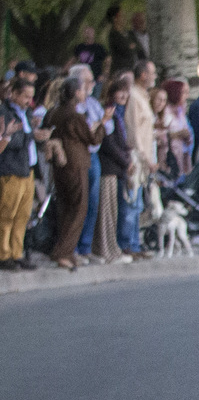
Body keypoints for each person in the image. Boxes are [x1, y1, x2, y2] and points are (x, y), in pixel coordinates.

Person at [46, 77, 109, 271]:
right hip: (76, 164)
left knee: (65, 206)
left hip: (60, 165)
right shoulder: (75, 116)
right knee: (79, 207)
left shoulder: (54, 113)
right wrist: (103, 122)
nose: (85, 94)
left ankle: (67, 250)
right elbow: (91, 139)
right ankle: (63, 252)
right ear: (75, 93)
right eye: (82, 90)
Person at [0, 80, 39, 270]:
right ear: (14, 94)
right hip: (11, 170)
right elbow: (10, 141)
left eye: (31, 97)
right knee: (7, 213)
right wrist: (30, 134)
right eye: (25, 96)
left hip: (27, 169)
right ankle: (3, 253)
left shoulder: (27, 113)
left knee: (23, 215)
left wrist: (34, 132)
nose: (28, 101)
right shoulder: (5, 112)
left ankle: (17, 252)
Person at [67, 64, 104, 262]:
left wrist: (98, 125)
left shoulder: (93, 103)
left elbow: (108, 124)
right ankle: (70, 248)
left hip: (94, 156)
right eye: (87, 81)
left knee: (92, 203)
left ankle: (85, 247)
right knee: (76, 203)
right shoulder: (69, 106)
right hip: (77, 157)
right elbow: (87, 130)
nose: (92, 84)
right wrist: (96, 126)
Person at [121, 59, 156, 259]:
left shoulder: (143, 96)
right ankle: (127, 243)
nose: (154, 77)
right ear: (143, 75)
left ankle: (135, 242)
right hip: (136, 155)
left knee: (138, 203)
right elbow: (133, 129)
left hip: (145, 157)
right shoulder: (134, 96)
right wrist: (143, 157)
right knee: (132, 201)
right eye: (152, 73)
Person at [96, 78, 133, 265]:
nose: (124, 95)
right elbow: (108, 142)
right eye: (120, 91)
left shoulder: (121, 114)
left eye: (126, 92)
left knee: (114, 210)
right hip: (108, 167)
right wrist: (126, 160)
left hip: (117, 167)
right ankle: (105, 249)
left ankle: (113, 247)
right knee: (106, 211)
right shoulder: (109, 112)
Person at [162, 79, 192, 177]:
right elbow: (162, 131)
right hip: (169, 154)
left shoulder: (181, 111)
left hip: (182, 154)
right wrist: (177, 134)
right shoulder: (165, 111)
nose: (186, 96)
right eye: (183, 92)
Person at [106, 6, 143, 75]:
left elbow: (139, 47)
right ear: (115, 19)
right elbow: (125, 49)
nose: (124, 18)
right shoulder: (113, 35)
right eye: (121, 15)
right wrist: (131, 46)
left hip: (134, 69)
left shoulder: (130, 33)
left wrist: (132, 46)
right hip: (121, 71)